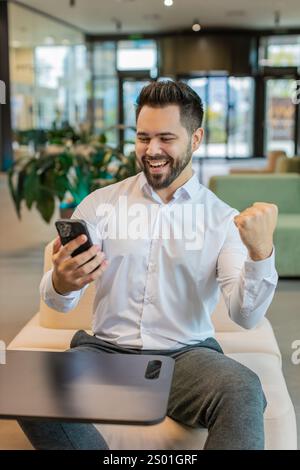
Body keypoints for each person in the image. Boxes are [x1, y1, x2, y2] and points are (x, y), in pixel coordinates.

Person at [18, 81, 278, 450]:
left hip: (186, 360)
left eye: (166, 138)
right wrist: (62, 281)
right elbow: (60, 303)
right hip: (105, 354)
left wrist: (260, 254)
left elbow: (246, 316)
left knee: (242, 388)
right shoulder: (99, 204)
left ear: (196, 138)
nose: (152, 150)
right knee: (31, 384)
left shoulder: (221, 219)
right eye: (143, 137)